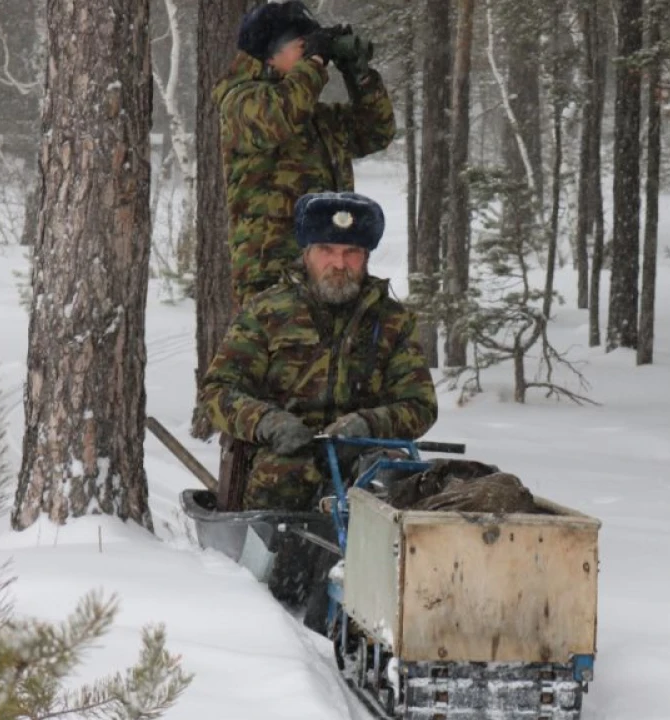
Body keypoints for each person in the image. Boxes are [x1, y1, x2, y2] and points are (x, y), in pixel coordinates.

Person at [201, 192, 436, 631]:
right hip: (287, 453)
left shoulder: (392, 322)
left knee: (397, 484)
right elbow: (218, 392)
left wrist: (369, 423)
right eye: (327, 250)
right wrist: (268, 422)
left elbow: (419, 404)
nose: (339, 263)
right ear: (306, 253)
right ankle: (264, 600)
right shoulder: (266, 313)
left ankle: (395, 602)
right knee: (283, 472)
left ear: (365, 258)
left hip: (360, 453)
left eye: (351, 252)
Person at [214, 0, 397, 308]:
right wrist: (314, 63)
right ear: (270, 53)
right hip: (272, 278)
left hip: (330, 272)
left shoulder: (316, 119)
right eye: (302, 44)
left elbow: (376, 131)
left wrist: (358, 73)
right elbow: (277, 117)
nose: (313, 55)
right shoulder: (240, 103)